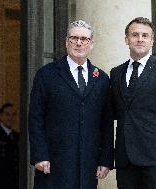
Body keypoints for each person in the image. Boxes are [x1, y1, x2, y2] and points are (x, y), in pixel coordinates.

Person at [28, 20, 113, 189]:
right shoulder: (47, 74)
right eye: (74, 38)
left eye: (84, 39)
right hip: (53, 163)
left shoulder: (102, 79)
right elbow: (35, 118)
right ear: (66, 42)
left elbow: (106, 123)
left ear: (91, 44)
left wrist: (105, 159)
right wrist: (40, 155)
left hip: (87, 166)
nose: (79, 43)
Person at [110, 17, 156, 189]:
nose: (140, 39)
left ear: (152, 40)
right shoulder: (116, 73)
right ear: (126, 39)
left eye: (145, 35)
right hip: (125, 160)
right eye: (135, 35)